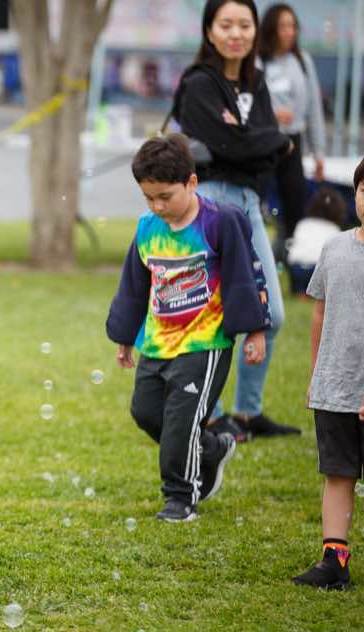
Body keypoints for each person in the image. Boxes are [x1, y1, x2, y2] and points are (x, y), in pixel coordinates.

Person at [106, 134, 271, 522]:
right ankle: (212, 449)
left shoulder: (221, 221)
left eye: (165, 196)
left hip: (204, 343)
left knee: (182, 422)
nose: (157, 206)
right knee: (146, 412)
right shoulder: (147, 228)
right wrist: (125, 337)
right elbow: (134, 286)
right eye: (149, 198)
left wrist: (255, 330)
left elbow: (246, 276)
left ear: (192, 182)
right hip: (157, 342)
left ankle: (180, 498)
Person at [170, 0, 299, 440]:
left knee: (271, 313)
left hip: (248, 202)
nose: (236, 33)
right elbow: (240, 145)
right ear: (209, 31)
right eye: (226, 24)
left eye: (244, 25)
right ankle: (211, 412)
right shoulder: (198, 84)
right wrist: (267, 140)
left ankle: (248, 412)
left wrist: (253, 140)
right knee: (210, 310)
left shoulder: (256, 83)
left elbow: (252, 146)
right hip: (208, 201)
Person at [292, 145, 364, 591]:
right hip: (335, 387)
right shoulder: (334, 248)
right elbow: (320, 312)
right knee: (338, 472)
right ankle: (335, 560)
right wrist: (318, 376)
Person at [258, 3, 328, 241]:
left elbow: (314, 109)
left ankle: (292, 252)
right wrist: (272, 114)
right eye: (283, 26)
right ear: (271, 29)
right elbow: (247, 103)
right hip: (264, 142)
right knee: (257, 201)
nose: (289, 32)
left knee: (295, 202)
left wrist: (319, 152)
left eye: (292, 26)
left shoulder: (302, 61)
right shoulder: (257, 62)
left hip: (293, 142)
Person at [285, 187, 345, 296]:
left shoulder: (303, 223)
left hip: (296, 268)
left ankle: (300, 291)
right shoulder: (334, 229)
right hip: (316, 270)